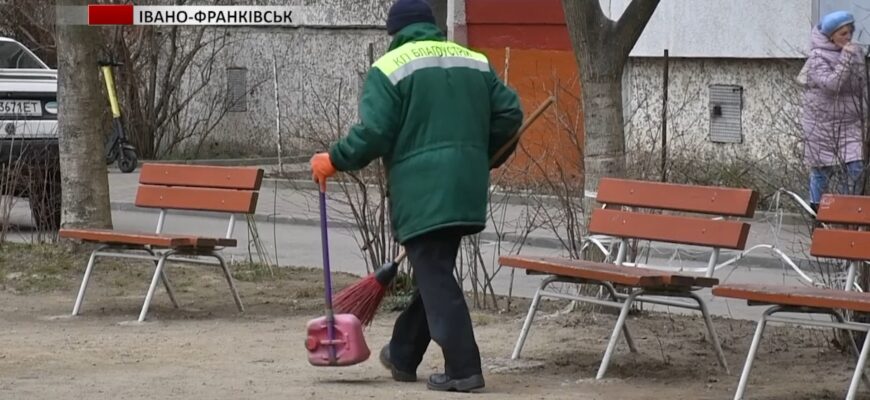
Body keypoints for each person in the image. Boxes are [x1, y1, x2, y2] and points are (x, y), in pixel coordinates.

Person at [309, 0, 524, 392]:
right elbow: (510, 113)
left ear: (395, 33)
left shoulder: (390, 68)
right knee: (434, 274)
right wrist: (479, 156)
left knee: (436, 278)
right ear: (430, 26)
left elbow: (374, 132)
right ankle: (403, 353)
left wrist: (335, 159)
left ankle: (464, 369)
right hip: (464, 189)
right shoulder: (472, 60)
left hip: (422, 193)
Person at [800, 10, 867, 213]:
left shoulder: (855, 53)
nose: (848, 38)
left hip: (850, 123)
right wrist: (846, 58)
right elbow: (832, 85)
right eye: (842, 34)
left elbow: (862, 85)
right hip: (822, 124)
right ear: (831, 35)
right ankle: (817, 214)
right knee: (821, 171)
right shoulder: (816, 58)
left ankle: (848, 212)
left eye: (850, 33)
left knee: (856, 168)